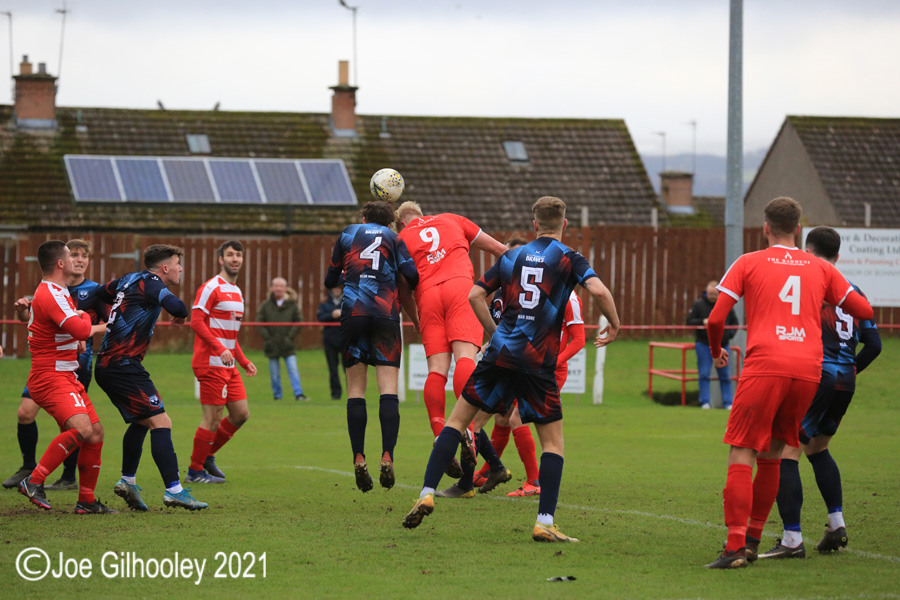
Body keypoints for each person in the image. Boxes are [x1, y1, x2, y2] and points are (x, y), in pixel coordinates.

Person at [402, 196, 620, 542]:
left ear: (534, 225)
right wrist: (615, 322)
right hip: (538, 362)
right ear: (565, 225)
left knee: (457, 422)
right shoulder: (569, 258)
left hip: (499, 354)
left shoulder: (512, 256)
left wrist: (494, 333)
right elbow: (597, 289)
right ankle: (544, 521)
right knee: (553, 443)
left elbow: (475, 295)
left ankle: (426, 492)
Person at [704, 197, 874, 569]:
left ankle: (734, 547)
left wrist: (717, 351)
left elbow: (716, 319)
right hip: (808, 370)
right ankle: (752, 540)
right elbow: (864, 310)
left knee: (742, 450)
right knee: (774, 454)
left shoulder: (749, 262)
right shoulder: (820, 267)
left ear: (765, 227)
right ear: (799, 228)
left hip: (766, 364)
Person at [762, 226, 882, 559]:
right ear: (838, 256)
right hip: (846, 379)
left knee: (787, 451)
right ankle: (836, 524)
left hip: (816, 375)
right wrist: (851, 368)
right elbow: (874, 345)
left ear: (808, 252)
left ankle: (791, 539)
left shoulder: (811, 282)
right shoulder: (854, 290)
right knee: (818, 448)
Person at [395, 200, 508, 485]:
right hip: (460, 286)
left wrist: (417, 320)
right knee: (466, 358)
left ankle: (438, 434)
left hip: (428, 295)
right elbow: (500, 250)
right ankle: (468, 428)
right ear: (422, 213)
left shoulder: (401, 238)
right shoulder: (453, 219)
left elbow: (403, 291)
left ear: (400, 222)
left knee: (436, 369)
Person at [94, 244, 207, 511]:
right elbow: (178, 306)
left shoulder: (128, 279)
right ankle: (174, 491)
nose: (180, 268)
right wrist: (177, 312)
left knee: (142, 421)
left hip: (110, 365)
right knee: (161, 422)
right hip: (123, 365)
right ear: (165, 267)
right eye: (178, 263)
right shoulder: (152, 282)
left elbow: (100, 292)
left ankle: (128, 481)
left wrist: (112, 314)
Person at [324, 201, 419, 492]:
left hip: (353, 313)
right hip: (385, 314)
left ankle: (358, 456)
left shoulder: (348, 234)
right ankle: (387, 455)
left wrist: (350, 275)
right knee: (387, 388)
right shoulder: (394, 238)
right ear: (390, 221)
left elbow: (330, 280)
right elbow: (412, 277)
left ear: (363, 218)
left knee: (356, 390)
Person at [3, 239, 107, 491]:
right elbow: (81, 329)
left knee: (95, 432)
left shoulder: (59, 291)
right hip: (52, 375)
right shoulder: (52, 293)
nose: (77, 261)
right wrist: (83, 319)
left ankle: (86, 500)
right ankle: (34, 479)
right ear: (61, 263)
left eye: (82, 256)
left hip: (67, 373)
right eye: (72, 256)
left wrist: (76, 337)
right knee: (79, 429)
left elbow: (64, 330)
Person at [188, 240, 258, 484]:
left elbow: (230, 335)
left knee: (241, 414)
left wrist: (243, 360)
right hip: (210, 362)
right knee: (212, 418)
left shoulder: (237, 291)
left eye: (238, 255)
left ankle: (207, 455)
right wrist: (219, 348)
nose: (235, 259)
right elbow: (196, 322)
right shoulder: (210, 287)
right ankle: (195, 471)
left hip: (228, 365)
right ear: (221, 259)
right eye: (230, 255)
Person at [686, 280, 738, 409]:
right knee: (704, 373)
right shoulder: (698, 305)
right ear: (706, 292)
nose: (712, 296)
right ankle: (705, 402)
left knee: (725, 375)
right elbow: (689, 322)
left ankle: (728, 402)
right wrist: (702, 321)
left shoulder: (725, 305)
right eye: (710, 294)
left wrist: (729, 335)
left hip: (723, 345)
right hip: (703, 344)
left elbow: (734, 323)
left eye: (715, 294)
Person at [257, 276, 307, 401]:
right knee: (274, 374)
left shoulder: (292, 305)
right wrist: (267, 338)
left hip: (287, 344)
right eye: (276, 286)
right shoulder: (266, 305)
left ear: (285, 288)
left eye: (281, 286)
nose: (278, 289)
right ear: (272, 288)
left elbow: (299, 321)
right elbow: (259, 322)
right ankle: (277, 396)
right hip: (272, 344)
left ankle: (299, 394)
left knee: (293, 370)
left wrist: (290, 337)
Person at [317, 280, 345, 401]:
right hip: (330, 340)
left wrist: (342, 314)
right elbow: (320, 317)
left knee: (349, 369)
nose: (336, 290)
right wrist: (332, 315)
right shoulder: (324, 302)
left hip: (346, 340)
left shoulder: (348, 300)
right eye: (334, 288)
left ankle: (353, 393)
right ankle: (335, 394)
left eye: (338, 288)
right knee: (333, 370)